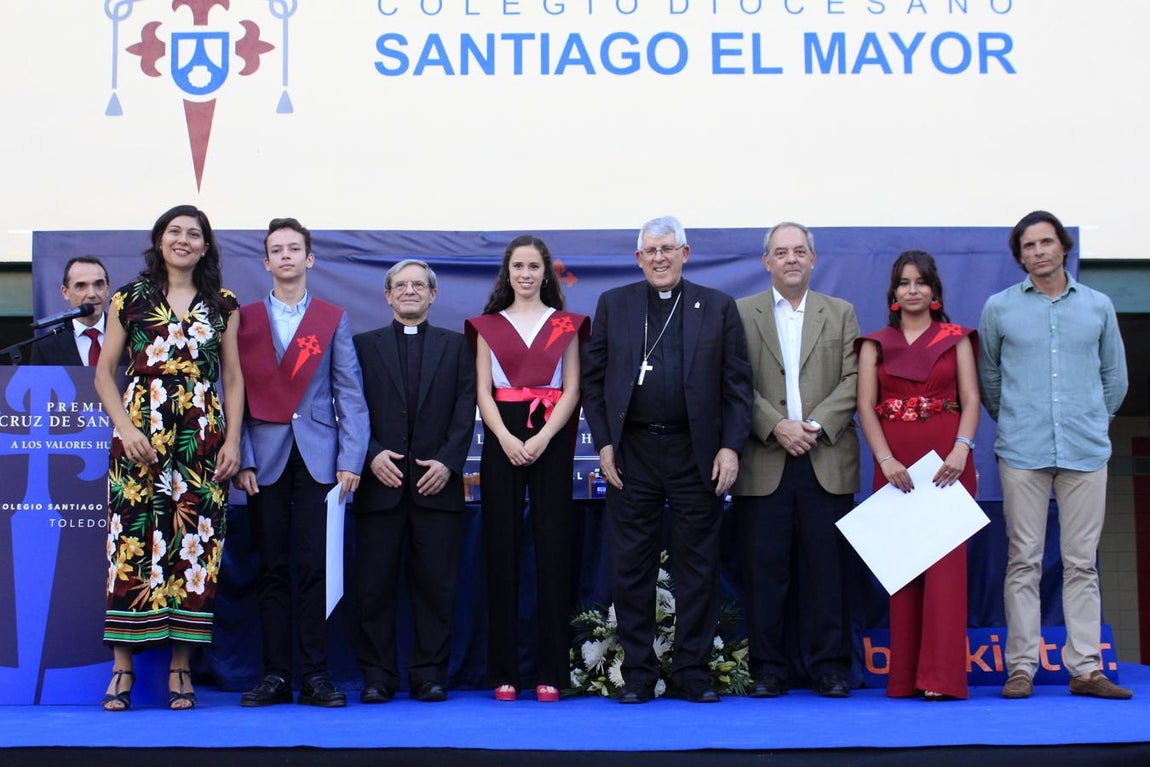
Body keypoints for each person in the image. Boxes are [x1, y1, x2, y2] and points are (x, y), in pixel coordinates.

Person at [582, 216, 752, 704]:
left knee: (698, 566)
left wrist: (730, 446)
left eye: (668, 249)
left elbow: (738, 386)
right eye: (651, 251)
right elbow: (594, 382)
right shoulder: (614, 304)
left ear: (685, 253)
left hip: (695, 452)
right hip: (632, 452)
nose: (659, 258)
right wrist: (605, 443)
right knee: (631, 566)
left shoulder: (717, 307)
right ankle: (638, 672)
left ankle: (691, 671)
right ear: (638, 258)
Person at [93, 204, 243, 710]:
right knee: (129, 546)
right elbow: (104, 373)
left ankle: (181, 668)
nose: (183, 240)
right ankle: (122, 668)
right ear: (160, 240)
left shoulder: (223, 304)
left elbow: (233, 378)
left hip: (202, 440)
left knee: (194, 548)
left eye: (193, 234)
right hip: (141, 438)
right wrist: (126, 427)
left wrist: (233, 441)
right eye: (174, 231)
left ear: (205, 246)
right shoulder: (128, 298)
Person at [979, 210, 1131, 700]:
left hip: (1086, 451)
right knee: (1023, 560)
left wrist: (1093, 422)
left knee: (1081, 562)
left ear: (1064, 247)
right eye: (1028, 246)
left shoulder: (1098, 305)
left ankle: (1086, 669)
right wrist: (1016, 420)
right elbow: (989, 380)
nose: (1038, 251)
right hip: (1022, 450)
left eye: (1046, 242)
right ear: (1020, 256)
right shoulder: (999, 308)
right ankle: (1020, 668)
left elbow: (1115, 378)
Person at [234, 218, 368, 708]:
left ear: (309, 258)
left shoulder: (332, 318)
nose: (286, 256)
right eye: (277, 250)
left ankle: (315, 675)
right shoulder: (243, 319)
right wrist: (241, 456)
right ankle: (275, 674)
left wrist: (351, 458)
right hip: (263, 459)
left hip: (320, 459)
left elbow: (349, 392)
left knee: (315, 567)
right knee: (272, 567)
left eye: (294, 248)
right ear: (266, 262)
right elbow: (233, 393)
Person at [731, 221, 860, 699]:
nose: (791, 259)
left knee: (827, 572)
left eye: (799, 251)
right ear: (767, 261)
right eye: (781, 252)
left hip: (826, 457)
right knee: (764, 572)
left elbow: (854, 379)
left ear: (813, 259)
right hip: (764, 458)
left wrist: (816, 424)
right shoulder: (740, 313)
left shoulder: (841, 312)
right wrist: (776, 425)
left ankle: (829, 667)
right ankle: (769, 668)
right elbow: (734, 381)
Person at [465, 235, 589, 703]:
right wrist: (504, 437)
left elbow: (572, 388)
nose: (525, 274)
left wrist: (542, 437)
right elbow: (483, 391)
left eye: (534, 266)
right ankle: (504, 671)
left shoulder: (565, 325)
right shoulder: (488, 326)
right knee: (501, 550)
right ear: (507, 272)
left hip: (550, 434)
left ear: (545, 272)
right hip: (503, 435)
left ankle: (552, 670)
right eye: (518, 266)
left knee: (553, 550)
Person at [856, 250, 979, 701]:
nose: (913, 289)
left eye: (921, 282)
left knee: (946, 571)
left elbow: (971, 399)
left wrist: (962, 449)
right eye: (905, 282)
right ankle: (905, 678)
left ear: (934, 290)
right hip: (896, 469)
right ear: (893, 292)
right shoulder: (874, 344)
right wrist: (885, 460)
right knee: (904, 570)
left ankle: (941, 680)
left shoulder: (956, 338)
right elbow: (864, 406)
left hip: (949, 465)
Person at [352, 260, 476, 703]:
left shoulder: (458, 347)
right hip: (379, 486)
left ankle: (429, 675)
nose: (409, 291)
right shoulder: (361, 347)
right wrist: (370, 455)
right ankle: (377, 676)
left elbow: (466, 409)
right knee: (374, 588)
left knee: (437, 588)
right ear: (387, 295)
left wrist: (448, 462)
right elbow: (349, 406)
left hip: (436, 486)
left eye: (418, 285)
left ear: (432, 295)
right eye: (400, 285)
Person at [30, 256, 111, 366]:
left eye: (99, 284)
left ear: (107, 289)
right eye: (81, 286)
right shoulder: (45, 346)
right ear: (65, 292)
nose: (92, 294)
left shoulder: (128, 336)